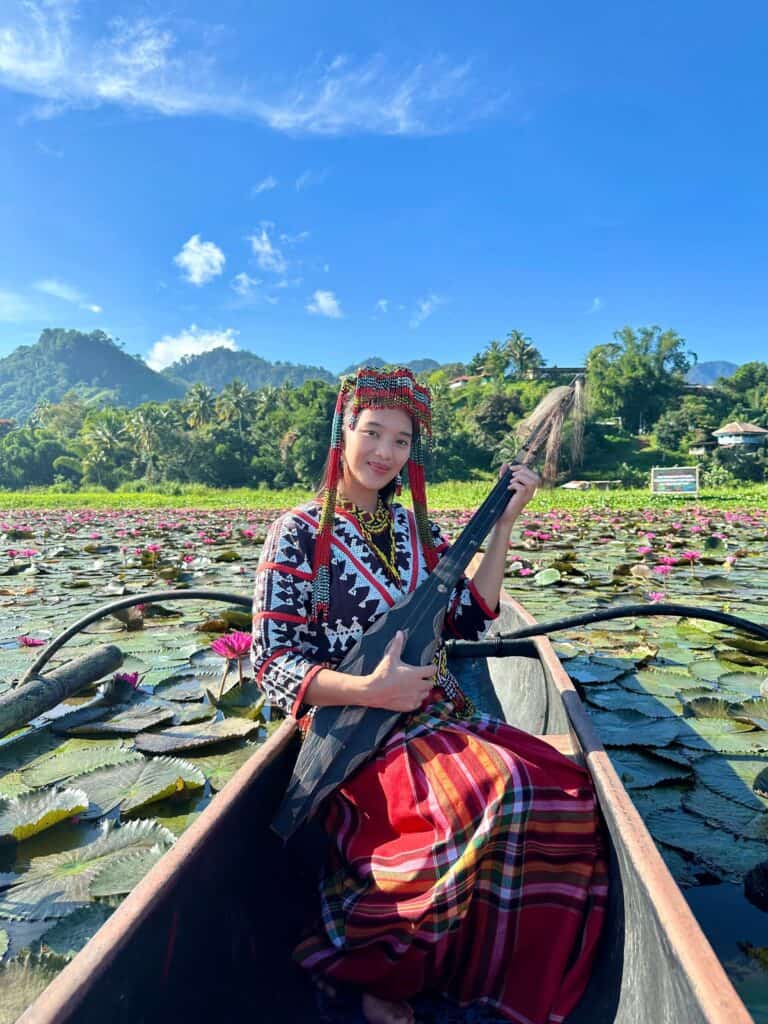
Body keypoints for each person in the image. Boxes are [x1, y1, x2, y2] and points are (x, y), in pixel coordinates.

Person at [251, 368, 607, 1024]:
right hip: (352, 733)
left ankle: (475, 969)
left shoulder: (415, 532)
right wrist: (371, 689)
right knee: (496, 788)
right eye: (372, 433)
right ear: (343, 434)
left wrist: (504, 525)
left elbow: (470, 615)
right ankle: (369, 971)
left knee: (567, 788)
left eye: (401, 440)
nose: (384, 452)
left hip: (436, 713)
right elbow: (271, 662)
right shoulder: (298, 531)